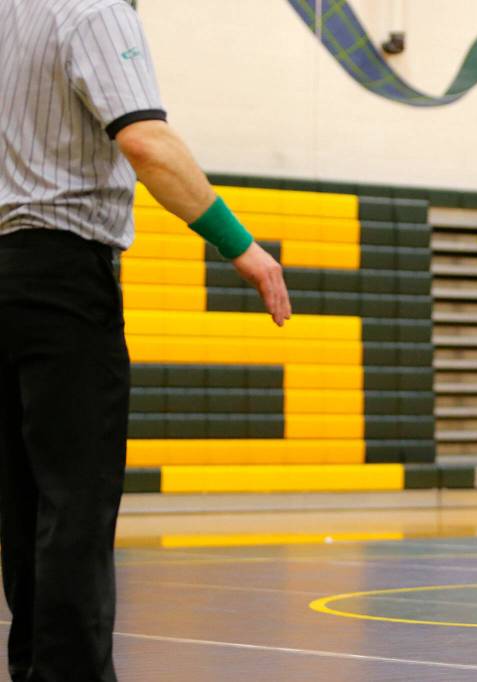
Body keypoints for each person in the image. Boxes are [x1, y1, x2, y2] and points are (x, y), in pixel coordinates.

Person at [0, 1, 290, 679]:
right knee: (76, 503)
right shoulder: (97, 11)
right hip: (64, 276)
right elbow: (147, 143)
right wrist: (242, 246)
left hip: (7, 271)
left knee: (24, 505)